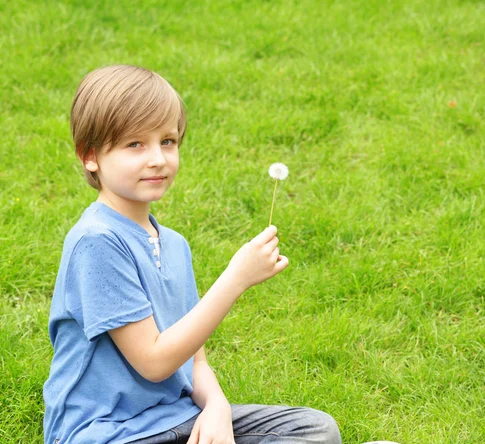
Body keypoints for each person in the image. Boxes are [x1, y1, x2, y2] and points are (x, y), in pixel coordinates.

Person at [43, 65, 342, 444]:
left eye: (167, 141)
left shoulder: (175, 245)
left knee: (314, 429)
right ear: (91, 156)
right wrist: (236, 279)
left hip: (177, 418)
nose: (157, 158)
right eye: (135, 144)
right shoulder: (97, 241)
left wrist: (216, 406)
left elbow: (194, 359)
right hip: (109, 433)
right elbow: (153, 362)